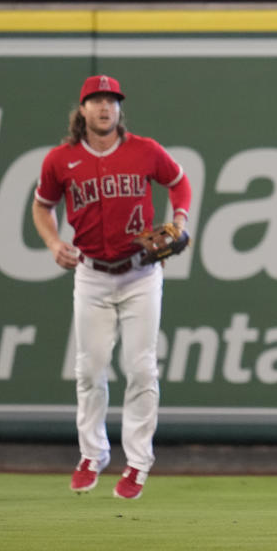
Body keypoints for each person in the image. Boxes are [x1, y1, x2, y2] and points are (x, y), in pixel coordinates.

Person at [32, 75, 191, 500]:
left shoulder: (145, 150)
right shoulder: (59, 160)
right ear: (81, 110)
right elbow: (42, 206)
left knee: (140, 368)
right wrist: (52, 242)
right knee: (89, 368)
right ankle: (93, 453)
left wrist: (181, 221)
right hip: (92, 274)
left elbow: (179, 182)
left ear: (121, 109)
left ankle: (138, 462)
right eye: (96, 100)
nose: (105, 107)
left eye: (112, 101)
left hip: (140, 272)